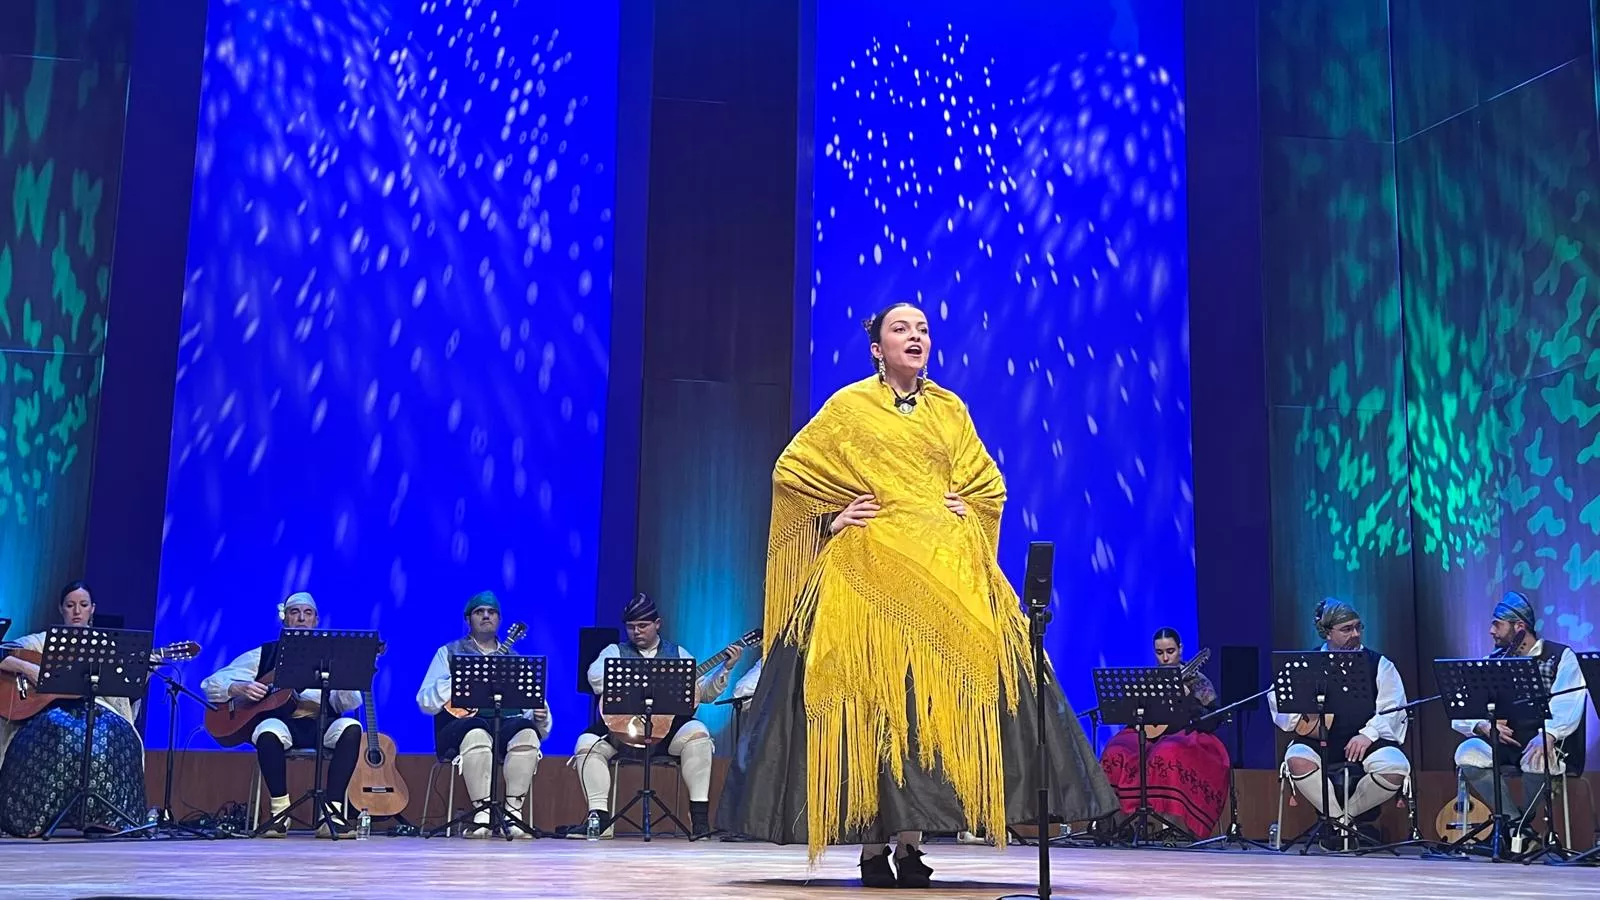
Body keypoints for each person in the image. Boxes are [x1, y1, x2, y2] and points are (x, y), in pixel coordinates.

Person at [717, 303, 1116, 888]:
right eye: (900, 329)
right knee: (874, 702)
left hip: (945, 570)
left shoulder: (949, 408)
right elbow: (792, 471)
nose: (916, 336)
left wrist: (969, 506)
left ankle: (910, 844)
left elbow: (986, 480)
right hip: (868, 573)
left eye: (923, 329)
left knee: (932, 708)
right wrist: (833, 516)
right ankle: (870, 848)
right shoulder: (849, 407)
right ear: (877, 347)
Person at [569, 593, 740, 837]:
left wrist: (726, 667)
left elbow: (704, 694)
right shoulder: (614, 651)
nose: (636, 632)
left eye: (642, 626)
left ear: (657, 624)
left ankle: (699, 819)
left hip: (667, 734)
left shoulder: (678, 653)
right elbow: (595, 678)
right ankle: (600, 820)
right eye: (630, 627)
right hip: (623, 732)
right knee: (586, 744)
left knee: (699, 734)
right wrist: (643, 679)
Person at [200, 592, 364, 837]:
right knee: (266, 731)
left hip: (321, 724)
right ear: (284, 618)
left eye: (307, 613)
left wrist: (348, 675)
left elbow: (347, 702)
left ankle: (331, 814)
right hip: (283, 724)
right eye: (294, 612)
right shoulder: (265, 653)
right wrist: (237, 687)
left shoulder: (332, 655)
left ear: (316, 620)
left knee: (351, 728)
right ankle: (280, 814)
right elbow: (212, 682)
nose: (301, 618)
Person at [0, 582, 147, 837]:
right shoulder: (41, 642)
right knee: (58, 729)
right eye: (70, 605)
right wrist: (30, 669)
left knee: (115, 734)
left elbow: (122, 692)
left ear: (93, 610)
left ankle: (106, 818)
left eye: (83, 605)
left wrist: (140, 674)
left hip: (99, 711)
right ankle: (32, 817)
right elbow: (3, 653)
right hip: (49, 712)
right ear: (61, 609)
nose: (76, 611)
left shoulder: (105, 647)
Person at [1268, 598, 1410, 846]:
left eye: (1358, 627)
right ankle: (1338, 821)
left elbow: (1393, 707)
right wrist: (1301, 719)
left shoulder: (1379, 665)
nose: (1355, 634)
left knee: (1395, 767)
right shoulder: (1304, 664)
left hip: (1365, 741)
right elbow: (1279, 699)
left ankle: (1343, 821)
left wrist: (1368, 734)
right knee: (1297, 760)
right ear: (1327, 633)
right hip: (1319, 740)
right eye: (1346, 629)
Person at [416, 591, 551, 837]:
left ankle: (513, 812)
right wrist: (461, 679)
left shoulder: (514, 659)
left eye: (492, 612)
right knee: (476, 730)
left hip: (502, 727)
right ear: (468, 619)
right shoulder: (448, 652)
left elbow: (532, 705)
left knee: (527, 733)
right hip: (458, 729)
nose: (486, 616)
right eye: (480, 612)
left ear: (499, 620)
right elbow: (425, 701)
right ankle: (482, 812)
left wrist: (540, 718)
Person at [1450, 591, 1587, 834]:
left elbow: (1569, 702)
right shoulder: (1492, 661)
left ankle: (1524, 822)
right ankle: (1515, 823)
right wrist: (1481, 725)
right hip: (1504, 744)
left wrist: (1550, 734)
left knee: (1538, 756)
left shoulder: (1559, 656)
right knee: (1466, 753)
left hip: (1543, 741)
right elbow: (1464, 705)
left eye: (1497, 625)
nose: (1491, 631)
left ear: (1519, 626)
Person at [1096, 627, 1229, 839]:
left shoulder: (1198, 681)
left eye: (1171, 651)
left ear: (1181, 649)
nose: (1165, 658)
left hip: (1185, 734)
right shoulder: (1150, 680)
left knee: (1165, 753)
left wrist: (1187, 700)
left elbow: (1214, 718)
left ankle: (1172, 829)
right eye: (1160, 653)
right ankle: (1120, 826)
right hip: (1150, 734)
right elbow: (1134, 714)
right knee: (1115, 750)